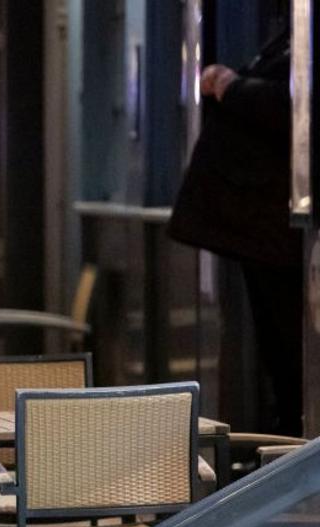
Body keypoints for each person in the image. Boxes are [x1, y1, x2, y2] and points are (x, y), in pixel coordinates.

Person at [168, 28, 302, 436]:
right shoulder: (288, 36)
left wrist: (233, 86)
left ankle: (293, 441)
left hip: (282, 229)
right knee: (278, 355)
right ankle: (287, 437)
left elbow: (294, 105)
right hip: (262, 230)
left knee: (290, 353)